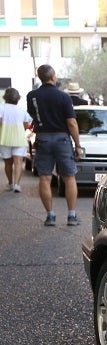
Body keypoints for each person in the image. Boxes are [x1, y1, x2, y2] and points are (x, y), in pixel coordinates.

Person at [26, 64, 83, 226]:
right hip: (62, 139)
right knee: (69, 177)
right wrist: (78, 145)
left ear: (40, 78)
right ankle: (71, 216)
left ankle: (50, 216)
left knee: (44, 177)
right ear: (53, 77)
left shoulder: (32, 96)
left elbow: (32, 114)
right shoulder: (63, 97)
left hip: (42, 138)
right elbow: (71, 122)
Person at [0, 87, 33, 193]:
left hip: (4, 137)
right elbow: (26, 124)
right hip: (19, 138)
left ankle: (10, 183)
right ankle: (17, 184)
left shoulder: (1, 107)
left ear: (5, 97)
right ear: (17, 98)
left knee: (8, 163)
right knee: (18, 162)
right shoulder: (22, 109)